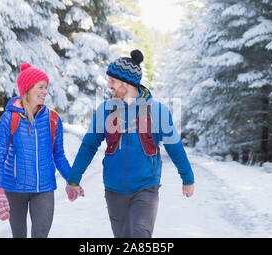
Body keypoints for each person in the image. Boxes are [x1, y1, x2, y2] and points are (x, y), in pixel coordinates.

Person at [66, 50, 195, 238]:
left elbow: (174, 147)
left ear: (126, 83)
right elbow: (88, 146)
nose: (108, 85)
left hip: (146, 187)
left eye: (113, 81)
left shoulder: (157, 111)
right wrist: (73, 179)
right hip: (113, 188)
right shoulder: (105, 110)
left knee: (140, 236)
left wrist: (188, 178)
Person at [0, 63, 81, 238]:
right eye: (40, 87)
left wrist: (72, 179)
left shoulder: (53, 119)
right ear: (28, 90)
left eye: (45, 87)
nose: (45, 91)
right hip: (14, 189)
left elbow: (58, 155)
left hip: (44, 189)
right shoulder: (10, 118)